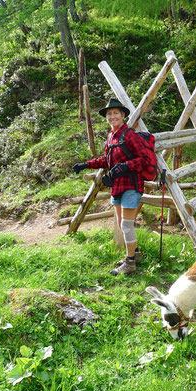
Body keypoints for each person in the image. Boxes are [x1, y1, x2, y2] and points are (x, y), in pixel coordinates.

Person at [72, 98, 148, 275]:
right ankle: (135, 254)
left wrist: (124, 167)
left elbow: (143, 160)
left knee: (127, 225)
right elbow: (106, 160)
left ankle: (129, 264)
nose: (112, 116)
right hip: (117, 186)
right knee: (123, 225)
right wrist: (86, 164)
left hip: (131, 184)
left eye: (115, 113)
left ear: (123, 115)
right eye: (109, 114)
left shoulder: (129, 134)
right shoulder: (111, 137)